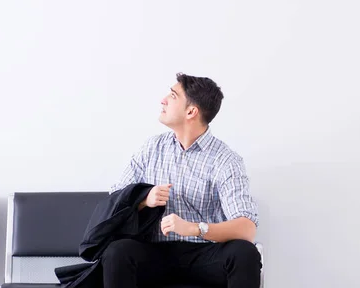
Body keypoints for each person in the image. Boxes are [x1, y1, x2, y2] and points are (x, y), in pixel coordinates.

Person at [103, 73, 262, 288]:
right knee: (118, 252)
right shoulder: (151, 148)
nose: (163, 100)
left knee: (244, 253)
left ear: (191, 111)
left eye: (173, 95)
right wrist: (143, 199)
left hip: (205, 254)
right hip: (155, 253)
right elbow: (114, 200)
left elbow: (246, 229)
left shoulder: (225, 160)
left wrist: (196, 228)